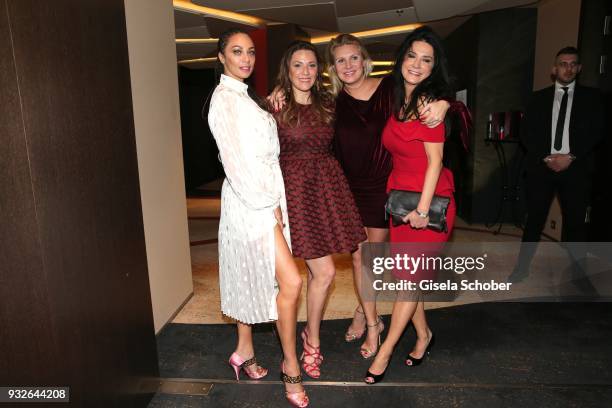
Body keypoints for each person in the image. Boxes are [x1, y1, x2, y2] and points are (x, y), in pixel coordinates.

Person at [327, 34, 454, 359]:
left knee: (381, 262)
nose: (348, 65)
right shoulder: (331, 100)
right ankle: (372, 322)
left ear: (365, 59)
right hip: (348, 188)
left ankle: (365, 311)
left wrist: (445, 102)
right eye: (340, 60)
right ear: (333, 67)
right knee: (360, 258)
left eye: (353, 57)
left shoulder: (389, 89)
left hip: (386, 188)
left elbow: (430, 97)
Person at [207, 28, 308, 407]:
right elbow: (237, 164)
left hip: (260, 198)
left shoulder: (244, 96)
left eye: (250, 51)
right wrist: (271, 207)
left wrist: (268, 104)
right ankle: (291, 365)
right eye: (237, 51)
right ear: (222, 56)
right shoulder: (224, 100)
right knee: (292, 282)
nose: (246, 58)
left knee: (248, 273)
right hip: (253, 204)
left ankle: (244, 351)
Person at [364, 26, 457, 384]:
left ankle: (385, 352)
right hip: (400, 201)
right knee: (407, 279)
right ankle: (424, 335)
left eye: (427, 60)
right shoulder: (398, 98)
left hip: (428, 204)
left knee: (407, 283)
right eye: (412, 56)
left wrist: (422, 209)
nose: (417, 64)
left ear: (434, 68)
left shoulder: (427, 103)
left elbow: (435, 162)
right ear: (402, 58)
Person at [273, 41, 366, 379]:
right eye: (298, 65)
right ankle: (311, 340)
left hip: (326, 189)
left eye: (311, 65)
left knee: (320, 274)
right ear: (287, 69)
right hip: (294, 193)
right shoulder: (274, 107)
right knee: (324, 273)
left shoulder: (329, 103)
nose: (305, 72)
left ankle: (311, 335)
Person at [509, 46, 604, 283]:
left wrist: (570, 157)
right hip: (542, 168)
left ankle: (580, 275)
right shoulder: (537, 98)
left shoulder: (592, 98)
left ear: (579, 68)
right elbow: (526, 132)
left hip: (576, 169)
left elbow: (597, 132)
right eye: (563, 63)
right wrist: (546, 157)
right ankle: (521, 269)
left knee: (575, 225)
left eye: (573, 64)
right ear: (554, 69)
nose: (568, 68)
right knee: (534, 221)